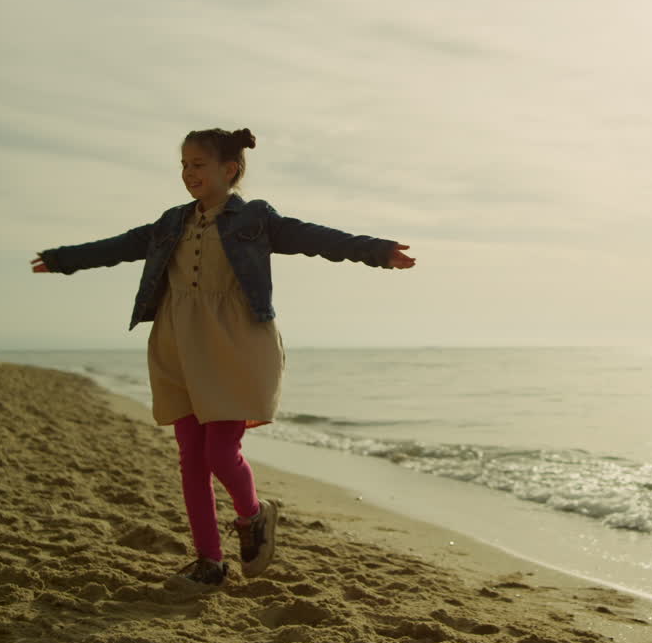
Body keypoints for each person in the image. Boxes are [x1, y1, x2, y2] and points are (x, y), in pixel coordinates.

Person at [31, 127, 416, 590]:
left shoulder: (255, 218)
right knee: (191, 458)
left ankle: (253, 515)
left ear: (229, 169)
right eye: (183, 164)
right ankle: (209, 561)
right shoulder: (170, 223)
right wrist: (61, 260)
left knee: (219, 452)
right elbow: (117, 247)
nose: (188, 172)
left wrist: (377, 252)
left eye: (198, 164)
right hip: (177, 342)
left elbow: (316, 238)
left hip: (236, 342)